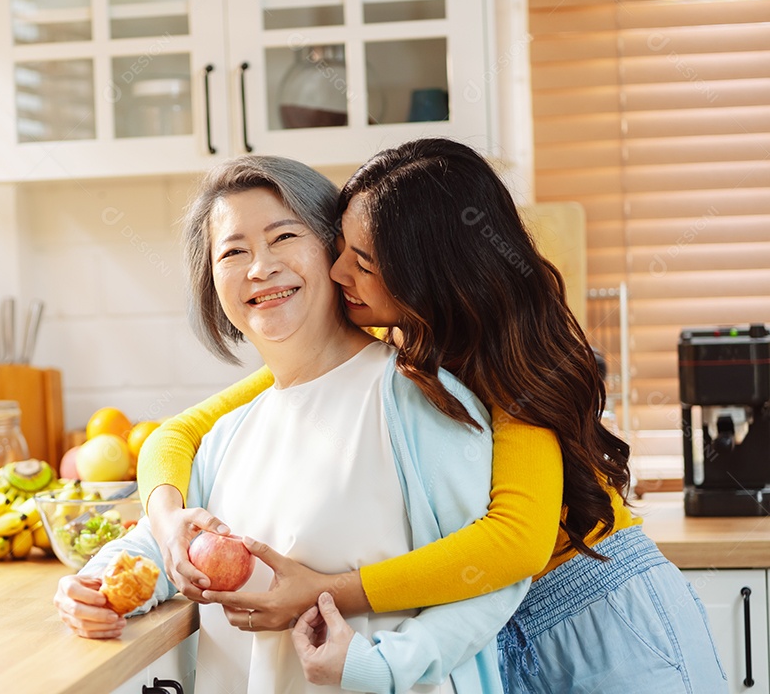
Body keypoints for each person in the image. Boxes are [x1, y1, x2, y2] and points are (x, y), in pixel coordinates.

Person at [138, 139, 726, 693]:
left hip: (604, 617)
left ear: (428, 271)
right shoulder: (404, 347)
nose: (339, 272)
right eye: (341, 249)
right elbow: (180, 432)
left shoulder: (503, 366)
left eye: (363, 261)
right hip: (512, 629)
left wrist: (329, 593)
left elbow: (514, 543)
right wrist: (166, 519)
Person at [54, 154, 528, 693]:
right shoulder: (227, 435)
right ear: (212, 283)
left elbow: (491, 581)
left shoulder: (418, 399)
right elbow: (168, 547)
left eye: (283, 237)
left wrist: (381, 667)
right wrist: (93, 584)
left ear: (334, 250)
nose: (260, 267)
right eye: (233, 251)